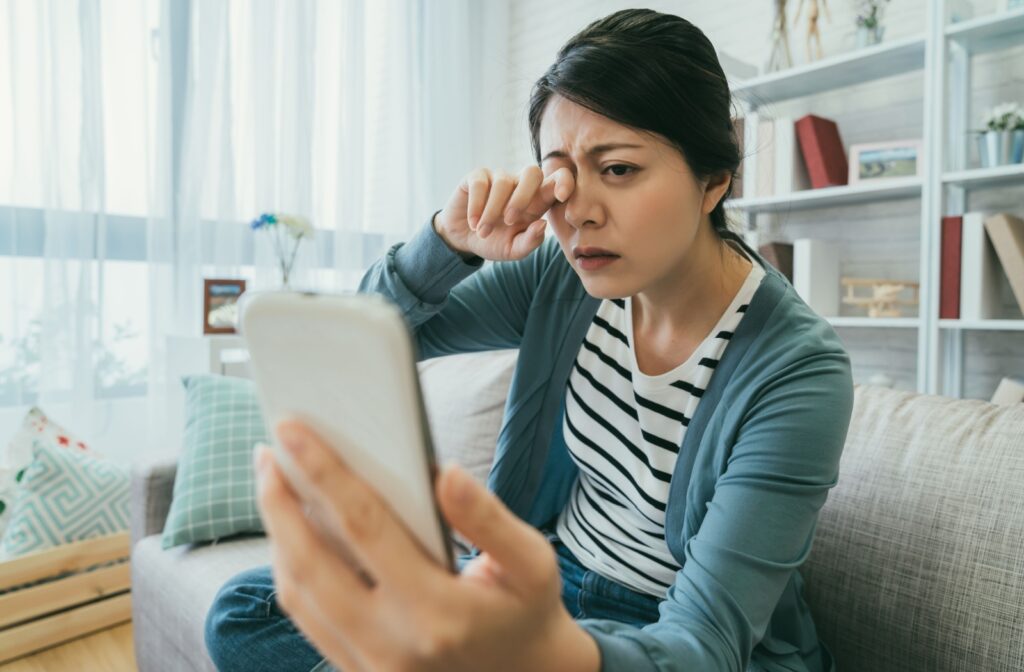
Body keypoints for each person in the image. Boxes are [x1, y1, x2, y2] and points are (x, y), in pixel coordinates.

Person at [204, 8, 853, 671]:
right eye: (562, 172)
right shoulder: (566, 275)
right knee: (245, 613)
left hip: (666, 631)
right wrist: (448, 242)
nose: (580, 211)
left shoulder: (797, 372)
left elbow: (705, 644)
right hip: (554, 579)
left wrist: (539, 652)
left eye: (620, 169)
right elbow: (365, 337)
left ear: (714, 181)